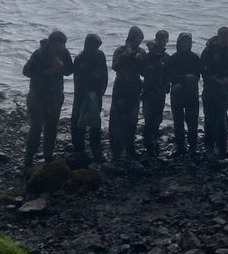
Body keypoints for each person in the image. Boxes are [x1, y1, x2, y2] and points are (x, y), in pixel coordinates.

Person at [22, 30, 73, 168]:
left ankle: (48, 156)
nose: (61, 48)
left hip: (55, 95)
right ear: (51, 43)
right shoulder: (39, 54)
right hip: (37, 95)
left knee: (52, 126)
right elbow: (26, 71)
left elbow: (70, 70)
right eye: (59, 45)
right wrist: (45, 73)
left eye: (63, 45)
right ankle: (29, 157)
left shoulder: (64, 53)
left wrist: (60, 68)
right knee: (36, 127)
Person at [200, 25, 228, 157]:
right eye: (223, 38)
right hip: (210, 88)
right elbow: (203, 69)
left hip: (225, 88)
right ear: (218, 37)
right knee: (210, 118)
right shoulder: (209, 49)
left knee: (222, 117)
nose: (226, 41)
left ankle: (222, 147)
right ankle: (209, 147)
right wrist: (214, 79)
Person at [109, 26, 146, 160]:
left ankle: (130, 148)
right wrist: (126, 55)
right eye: (136, 40)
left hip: (134, 88)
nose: (138, 43)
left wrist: (142, 60)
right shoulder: (120, 50)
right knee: (116, 120)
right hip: (121, 88)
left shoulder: (141, 52)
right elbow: (115, 66)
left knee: (132, 120)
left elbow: (144, 72)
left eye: (139, 41)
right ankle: (116, 151)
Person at [70, 33, 107, 162]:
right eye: (93, 45)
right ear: (87, 44)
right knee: (77, 121)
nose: (95, 48)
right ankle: (79, 148)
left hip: (96, 95)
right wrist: (83, 93)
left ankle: (96, 149)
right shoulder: (80, 59)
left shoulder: (100, 56)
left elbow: (104, 74)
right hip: (81, 95)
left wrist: (102, 90)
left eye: (97, 46)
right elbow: (77, 79)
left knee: (95, 122)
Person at [166, 32, 202, 157]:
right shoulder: (173, 58)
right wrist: (185, 78)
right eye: (183, 42)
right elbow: (170, 76)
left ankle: (192, 147)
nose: (186, 44)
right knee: (178, 122)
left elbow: (197, 76)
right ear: (179, 43)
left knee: (192, 122)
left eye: (188, 42)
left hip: (192, 94)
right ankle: (180, 146)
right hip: (177, 95)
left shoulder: (195, 58)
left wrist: (181, 80)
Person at [140, 29, 170, 156]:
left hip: (160, 91)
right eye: (160, 39)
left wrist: (167, 83)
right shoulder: (149, 56)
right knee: (149, 118)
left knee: (157, 118)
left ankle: (153, 141)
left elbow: (169, 74)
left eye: (164, 39)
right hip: (148, 91)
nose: (162, 42)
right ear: (156, 39)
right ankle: (149, 144)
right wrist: (156, 66)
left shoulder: (166, 57)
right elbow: (143, 71)